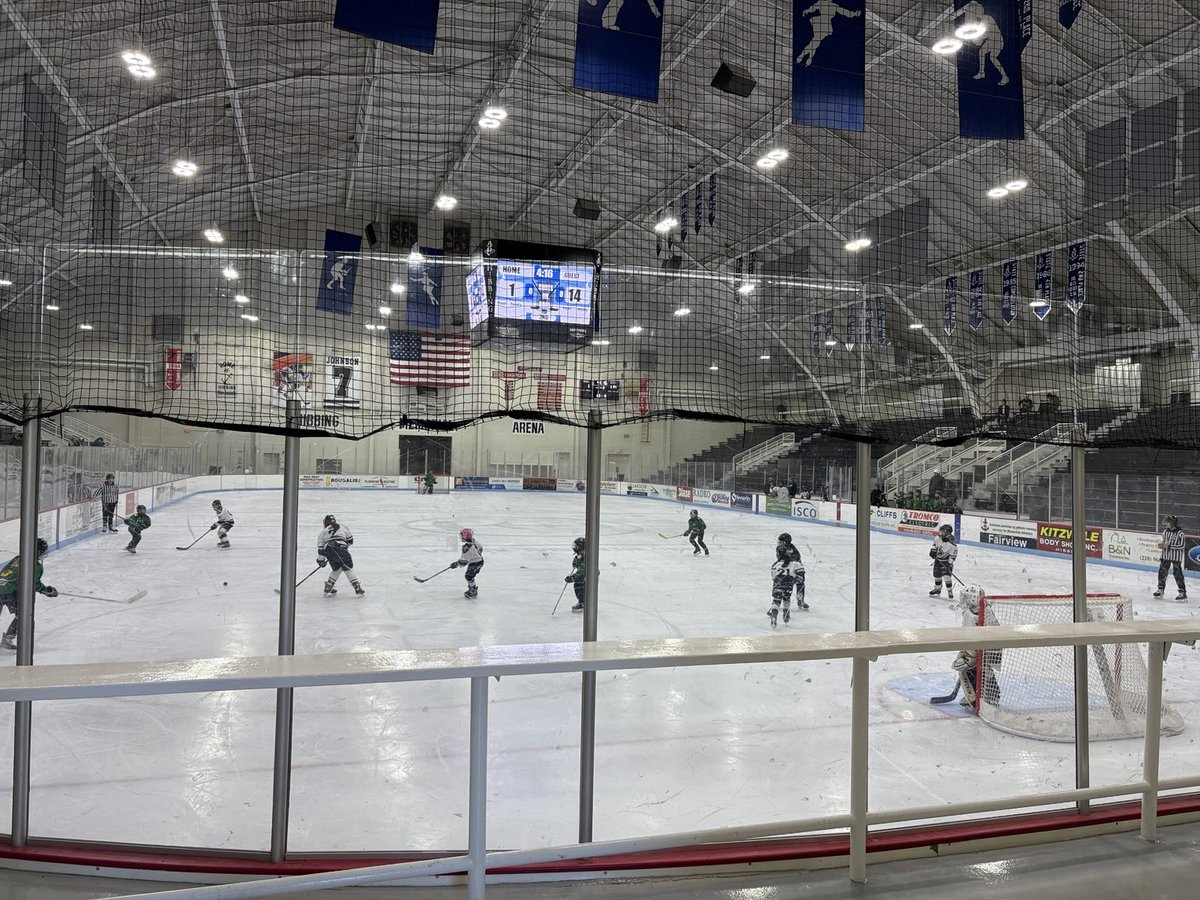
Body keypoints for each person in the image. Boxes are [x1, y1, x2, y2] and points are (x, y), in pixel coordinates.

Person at [0, 538, 58, 651]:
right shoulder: (36, 566)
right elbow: (34, 584)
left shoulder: (17, 558)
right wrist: (48, 591)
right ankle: (8, 638)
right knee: (22, 615)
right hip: (10, 592)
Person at [317, 514, 364, 598]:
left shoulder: (323, 532)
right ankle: (357, 588)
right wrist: (342, 547)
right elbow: (350, 541)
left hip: (328, 549)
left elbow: (321, 549)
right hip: (340, 548)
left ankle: (329, 585)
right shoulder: (342, 527)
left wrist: (321, 560)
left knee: (337, 568)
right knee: (347, 567)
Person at [768, 533, 805, 628]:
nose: (779, 543)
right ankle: (786, 613)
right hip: (789, 577)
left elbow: (773, 573)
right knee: (786, 598)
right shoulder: (780, 549)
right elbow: (798, 569)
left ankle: (800, 599)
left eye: (781, 542)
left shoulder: (792, 551)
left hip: (780, 578)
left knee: (777, 598)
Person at [1154, 515, 1187, 601]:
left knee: (1177, 573)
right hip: (1165, 556)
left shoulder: (1180, 533)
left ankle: (1182, 592)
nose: (1166, 523)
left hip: (1176, 558)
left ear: (1173, 523)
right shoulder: (1165, 532)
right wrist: (1162, 545)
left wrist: (1169, 546)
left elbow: (1182, 546)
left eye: (1168, 522)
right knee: (1162, 572)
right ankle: (1160, 589)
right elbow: (1165, 542)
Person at [451, 528, 484, 598]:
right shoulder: (475, 541)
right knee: (469, 575)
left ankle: (473, 591)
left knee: (469, 576)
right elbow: (480, 548)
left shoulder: (467, 548)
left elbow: (463, 562)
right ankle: (472, 587)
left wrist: (456, 564)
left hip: (476, 563)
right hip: (476, 561)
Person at [929, 524, 958, 599]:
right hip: (938, 560)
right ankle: (937, 589)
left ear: (947, 533)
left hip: (946, 562)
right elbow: (934, 545)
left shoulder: (952, 544)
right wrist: (933, 550)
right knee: (936, 575)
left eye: (942, 531)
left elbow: (953, 556)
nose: (940, 533)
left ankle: (950, 591)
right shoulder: (938, 538)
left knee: (947, 576)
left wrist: (949, 564)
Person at [564, 536, 586, 612]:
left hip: (589, 576)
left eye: (579, 552)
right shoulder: (581, 557)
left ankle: (583, 602)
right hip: (584, 576)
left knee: (580, 585)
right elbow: (575, 565)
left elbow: (582, 571)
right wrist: (577, 559)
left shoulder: (588, 558)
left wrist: (573, 577)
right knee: (578, 584)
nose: (578, 554)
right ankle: (582, 601)